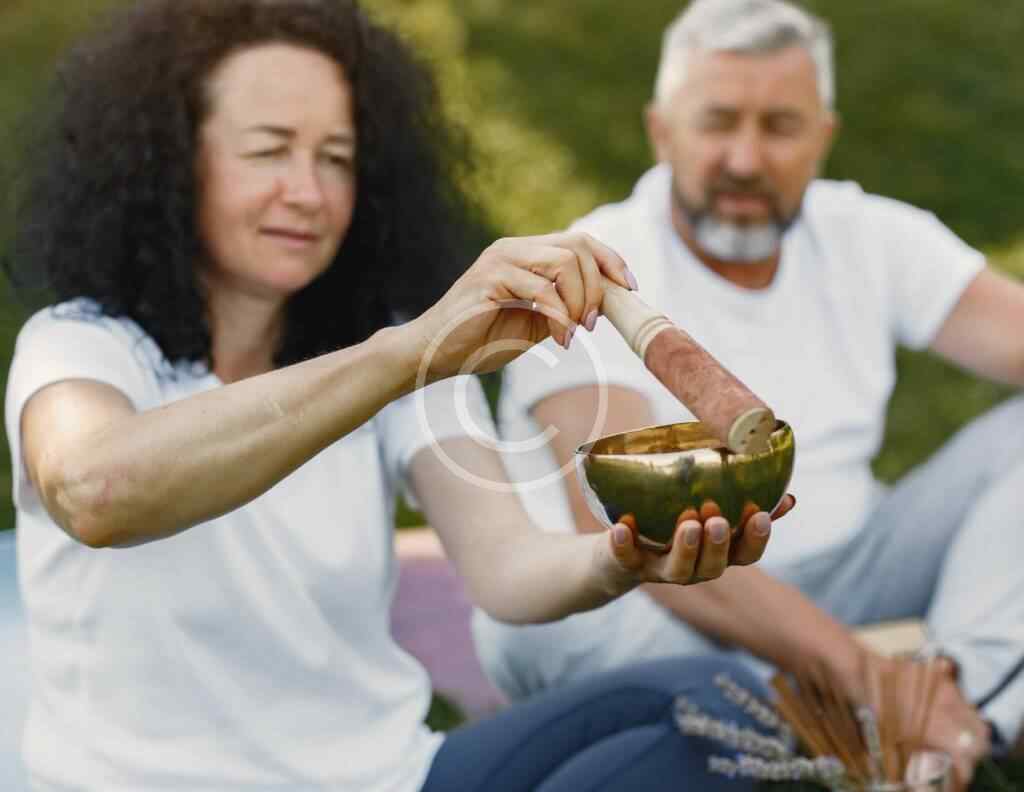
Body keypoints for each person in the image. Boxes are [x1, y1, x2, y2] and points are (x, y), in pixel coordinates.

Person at [1, 1, 794, 790]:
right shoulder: (80, 345)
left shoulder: (383, 347)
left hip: (393, 776)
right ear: (174, 160)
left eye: (336, 158)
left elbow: (507, 567)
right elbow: (96, 491)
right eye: (269, 151)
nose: (308, 192)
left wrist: (625, 556)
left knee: (718, 706)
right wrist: (409, 351)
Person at [470, 0, 1024, 789]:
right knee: (547, 629)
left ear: (824, 136)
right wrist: (867, 674)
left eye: (780, 127)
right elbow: (626, 529)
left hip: (855, 577)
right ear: (662, 131)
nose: (744, 158)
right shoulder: (593, 270)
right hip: (670, 604)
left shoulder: (868, 235)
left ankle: (954, 713)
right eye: (717, 122)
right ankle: (878, 717)